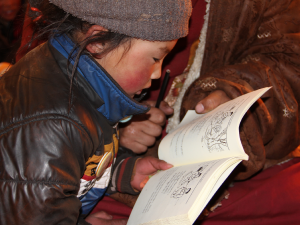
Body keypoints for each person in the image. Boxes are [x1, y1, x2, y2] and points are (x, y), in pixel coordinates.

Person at [94, 0, 300, 224]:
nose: (157, 74)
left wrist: (233, 98)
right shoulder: (60, 123)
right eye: (155, 59)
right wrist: (115, 121)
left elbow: (288, 62)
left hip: (208, 167)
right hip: (109, 158)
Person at [0, 0, 192, 225]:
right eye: (155, 58)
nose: (158, 74)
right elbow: (36, 218)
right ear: (99, 41)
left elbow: (78, 159)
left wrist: (122, 172)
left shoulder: (81, 78)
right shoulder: (53, 124)